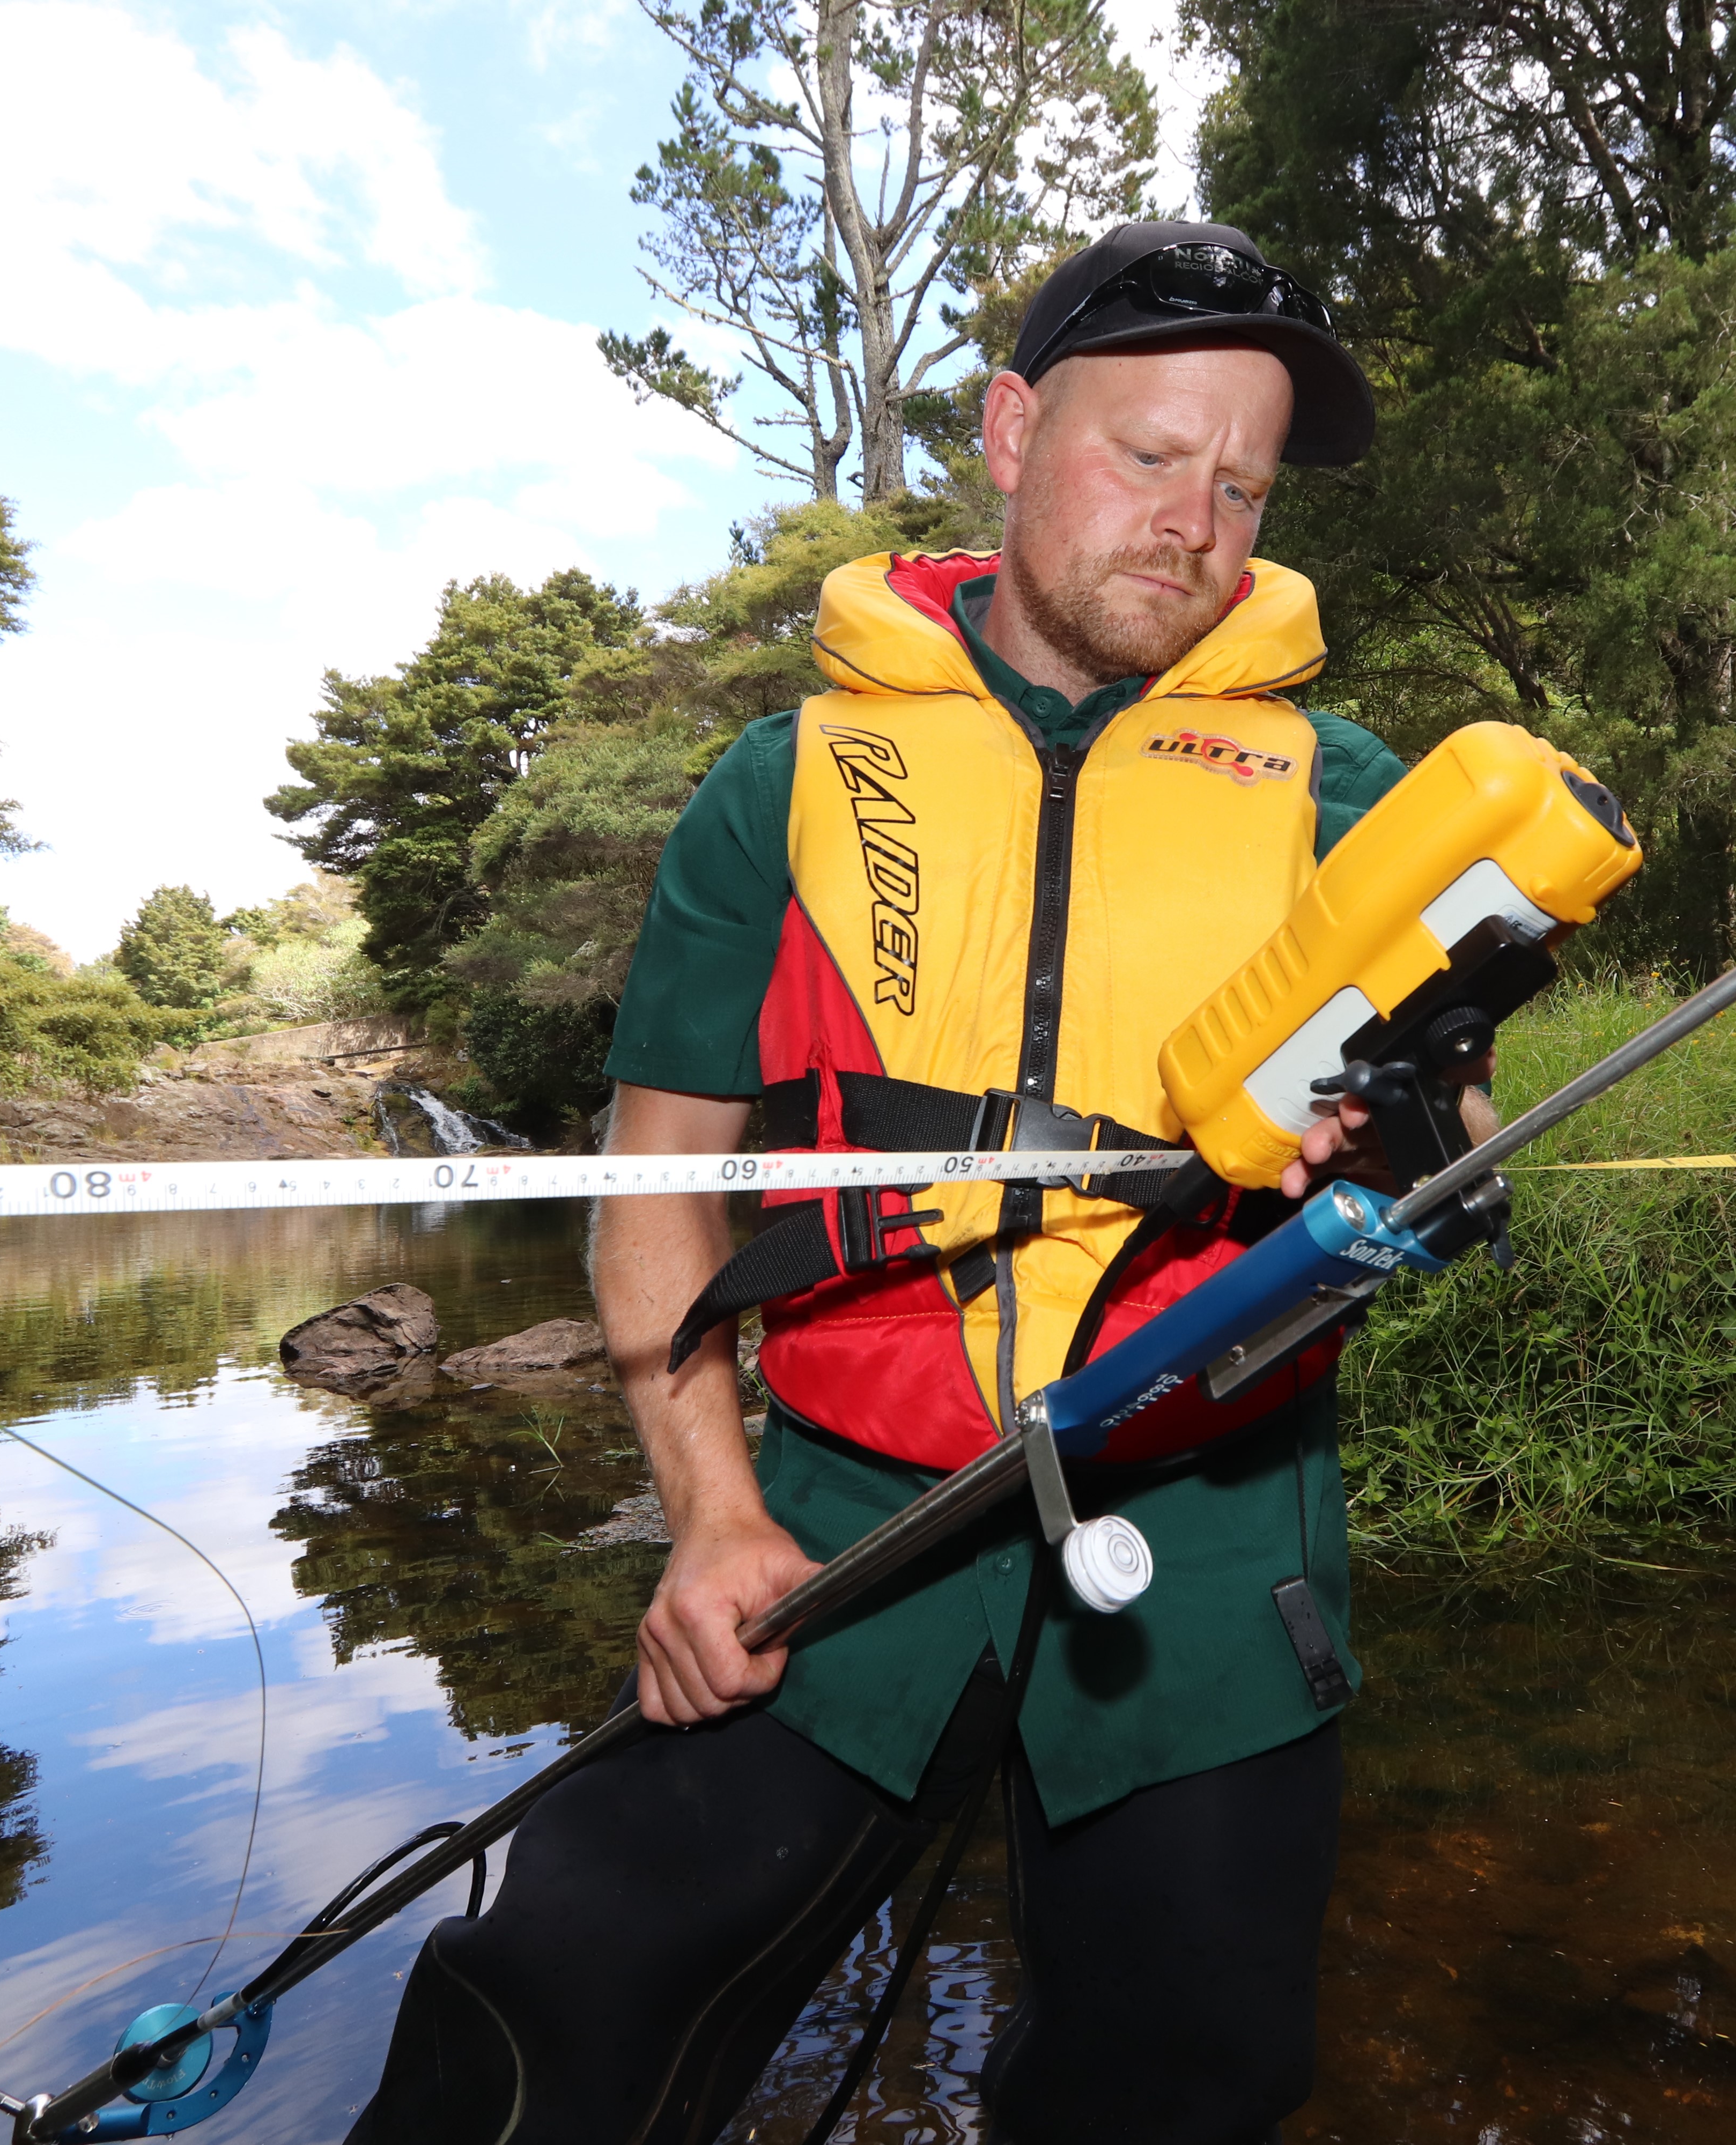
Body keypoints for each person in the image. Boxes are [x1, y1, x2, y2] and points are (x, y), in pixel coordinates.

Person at [349, 220, 1409, 2145]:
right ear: (1011, 431)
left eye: (1241, 483)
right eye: (1151, 455)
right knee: (553, 2004)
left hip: (1219, 1529)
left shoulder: (1345, 793)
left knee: (1187, 2084)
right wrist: (707, 1518)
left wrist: (1424, 1128)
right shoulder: (785, 781)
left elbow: (1450, 1133)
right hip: (843, 1515)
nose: (1199, 520)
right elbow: (659, 1188)